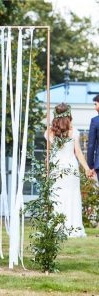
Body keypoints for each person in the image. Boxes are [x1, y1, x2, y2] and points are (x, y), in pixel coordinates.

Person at [45, 103, 90, 237]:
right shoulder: (73, 131)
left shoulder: (49, 132)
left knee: (57, 196)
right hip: (70, 168)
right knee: (71, 196)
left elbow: (48, 155)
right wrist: (87, 169)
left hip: (56, 168)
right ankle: (73, 227)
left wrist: (46, 169)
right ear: (69, 115)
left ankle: (57, 227)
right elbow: (79, 153)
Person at [87, 95, 99, 182]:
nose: (95, 108)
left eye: (96, 104)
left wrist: (90, 166)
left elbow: (91, 145)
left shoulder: (95, 121)